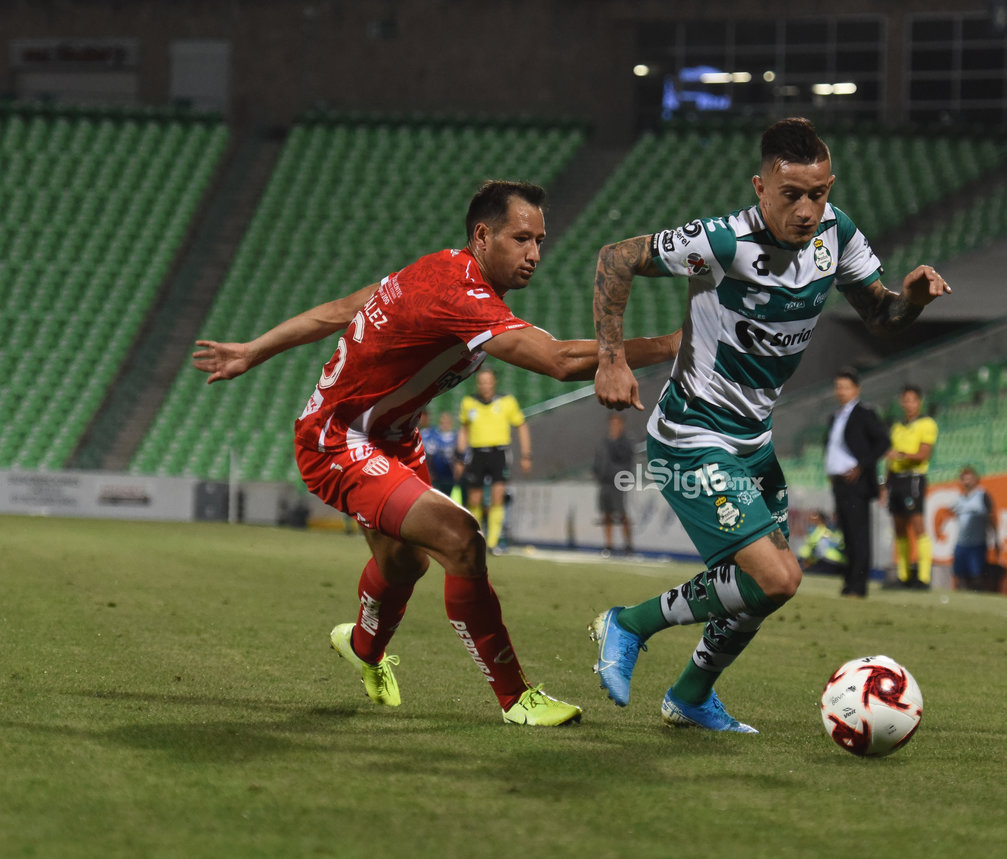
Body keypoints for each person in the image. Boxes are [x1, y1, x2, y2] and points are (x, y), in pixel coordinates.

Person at [192, 180, 680, 725]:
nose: (535, 255)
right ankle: (516, 699)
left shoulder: (436, 269)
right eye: (522, 239)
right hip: (338, 439)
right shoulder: (458, 293)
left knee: (404, 564)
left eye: (540, 241)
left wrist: (254, 350)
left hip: (394, 439)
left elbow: (340, 310)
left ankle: (362, 646)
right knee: (461, 538)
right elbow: (560, 361)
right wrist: (671, 345)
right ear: (482, 234)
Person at [587, 117, 951, 732]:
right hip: (691, 434)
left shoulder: (837, 237)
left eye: (819, 193)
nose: (808, 210)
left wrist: (911, 298)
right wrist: (612, 358)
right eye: (791, 195)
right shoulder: (725, 241)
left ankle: (691, 696)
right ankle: (629, 624)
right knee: (777, 575)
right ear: (761, 188)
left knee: (768, 587)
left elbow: (882, 317)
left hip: (752, 442)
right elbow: (614, 259)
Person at [824, 367, 890, 596]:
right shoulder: (835, 415)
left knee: (859, 535)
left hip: (857, 483)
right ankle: (848, 582)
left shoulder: (864, 413)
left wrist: (861, 465)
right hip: (839, 483)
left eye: (845, 387)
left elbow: (883, 442)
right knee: (847, 535)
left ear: (856, 389)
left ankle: (859, 586)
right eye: (838, 387)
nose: (841, 391)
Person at [457, 367, 528, 552]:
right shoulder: (468, 403)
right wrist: (459, 456)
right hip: (477, 453)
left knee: (498, 496)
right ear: (478, 384)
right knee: (474, 499)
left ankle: (493, 542)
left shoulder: (507, 402)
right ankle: (475, 540)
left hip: (499, 453)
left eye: (488, 381)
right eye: (482, 381)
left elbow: (521, 426)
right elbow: (464, 430)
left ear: (494, 382)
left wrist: (526, 455)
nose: (485, 385)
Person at [886, 384, 939, 589]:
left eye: (912, 400)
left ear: (919, 402)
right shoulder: (897, 426)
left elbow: (923, 454)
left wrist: (899, 455)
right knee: (899, 527)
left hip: (913, 478)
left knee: (917, 525)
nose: (908, 404)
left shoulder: (927, 424)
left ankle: (924, 577)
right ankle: (904, 575)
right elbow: (889, 459)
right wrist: (886, 483)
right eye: (905, 400)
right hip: (896, 478)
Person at [950, 466, 998, 591]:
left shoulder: (983, 496)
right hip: (961, 543)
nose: (967, 482)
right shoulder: (959, 499)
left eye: (970, 479)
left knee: (977, 575)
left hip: (977, 543)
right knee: (959, 575)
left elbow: (992, 518)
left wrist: (996, 538)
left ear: (976, 480)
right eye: (964, 479)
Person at [593, 413, 635, 556]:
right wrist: (598, 472)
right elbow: (598, 459)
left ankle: (628, 545)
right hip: (604, 482)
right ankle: (609, 545)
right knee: (606, 514)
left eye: (617, 423)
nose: (614, 426)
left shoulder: (625, 442)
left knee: (621, 514)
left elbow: (626, 462)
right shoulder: (604, 441)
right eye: (612, 423)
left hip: (618, 483)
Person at [417, 411, 458, 500]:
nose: (445, 424)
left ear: (451, 423)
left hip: (452, 476)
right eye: (443, 421)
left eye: (447, 421)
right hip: (436, 476)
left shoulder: (457, 437)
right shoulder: (430, 436)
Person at [796, 511, 847, 576]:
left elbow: (819, 551)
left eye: (814, 520)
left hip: (829, 562)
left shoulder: (824, 532)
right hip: (820, 561)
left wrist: (805, 565)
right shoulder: (817, 531)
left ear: (821, 521)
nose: (810, 523)